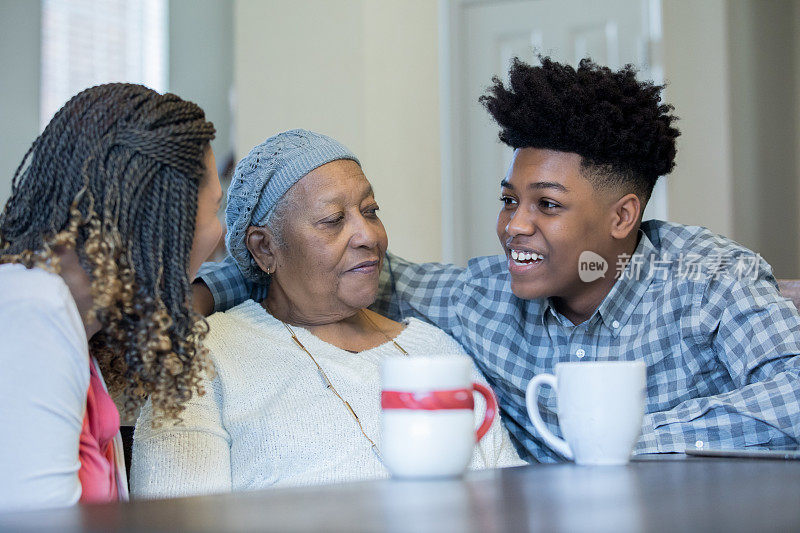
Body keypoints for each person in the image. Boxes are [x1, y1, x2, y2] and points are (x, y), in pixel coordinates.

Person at [194, 57, 800, 463]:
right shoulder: (480, 298)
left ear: (622, 217)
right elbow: (324, 266)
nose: (514, 225)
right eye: (509, 199)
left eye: (548, 205)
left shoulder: (709, 278)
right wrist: (198, 296)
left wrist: (609, 441)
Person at [131, 130, 523, 498]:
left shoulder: (435, 350)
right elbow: (176, 516)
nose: (369, 236)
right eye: (333, 221)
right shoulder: (203, 356)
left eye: (370, 211)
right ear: (264, 249)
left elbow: (506, 500)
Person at [0, 83, 223, 511]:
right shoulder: (33, 312)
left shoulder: (68, 320)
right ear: (161, 224)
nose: (219, 237)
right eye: (216, 210)